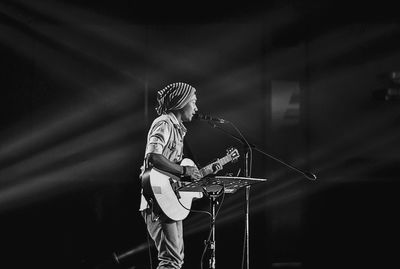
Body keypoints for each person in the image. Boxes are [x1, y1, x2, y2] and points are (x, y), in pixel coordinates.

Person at [139, 82, 203, 269]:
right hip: (157, 201)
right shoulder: (164, 123)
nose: (196, 107)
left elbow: (169, 170)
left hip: (167, 200)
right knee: (171, 260)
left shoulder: (177, 128)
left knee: (176, 259)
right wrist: (183, 171)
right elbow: (153, 156)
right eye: (193, 102)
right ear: (181, 102)